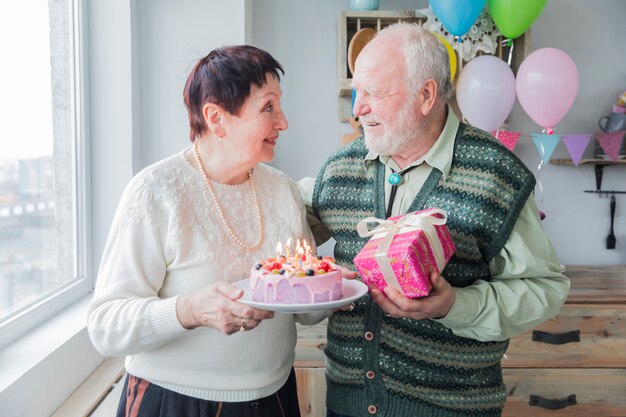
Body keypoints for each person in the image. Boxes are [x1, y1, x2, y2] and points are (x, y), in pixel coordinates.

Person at [301, 23, 570, 417]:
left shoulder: (496, 174)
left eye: (374, 93)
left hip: (451, 409)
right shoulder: (341, 168)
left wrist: (455, 305)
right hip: (348, 407)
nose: (358, 108)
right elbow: (281, 216)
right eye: (359, 91)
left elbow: (545, 289)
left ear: (426, 95)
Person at [87, 45, 315, 417]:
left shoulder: (284, 190)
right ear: (216, 118)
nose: (283, 122)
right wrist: (190, 310)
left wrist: (342, 286)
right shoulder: (155, 191)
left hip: (274, 399)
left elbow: (306, 311)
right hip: (173, 402)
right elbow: (105, 327)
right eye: (268, 107)